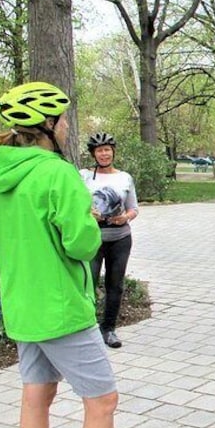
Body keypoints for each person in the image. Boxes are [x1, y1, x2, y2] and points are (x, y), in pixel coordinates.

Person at [0, 82, 147, 428]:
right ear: (48, 126)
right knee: (103, 400)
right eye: (63, 119)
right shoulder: (56, 174)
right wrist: (91, 222)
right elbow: (80, 245)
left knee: (37, 396)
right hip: (60, 309)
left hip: (22, 305)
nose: (68, 125)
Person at [80, 133, 139, 349]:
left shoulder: (124, 177)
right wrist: (87, 212)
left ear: (113, 151)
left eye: (107, 150)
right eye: (99, 150)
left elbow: (134, 208)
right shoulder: (83, 176)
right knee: (89, 284)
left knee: (116, 286)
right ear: (93, 154)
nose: (104, 154)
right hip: (93, 238)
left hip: (120, 238)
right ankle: (89, 329)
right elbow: (74, 204)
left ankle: (109, 329)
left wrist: (126, 217)